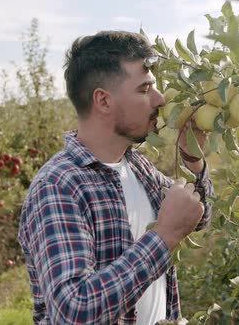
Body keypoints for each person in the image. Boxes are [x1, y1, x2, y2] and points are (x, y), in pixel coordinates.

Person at [17, 30, 213, 325]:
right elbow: (74, 312)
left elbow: (197, 216)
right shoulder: (59, 187)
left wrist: (192, 157)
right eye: (145, 89)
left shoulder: (136, 166)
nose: (160, 100)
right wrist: (163, 236)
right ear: (104, 101)